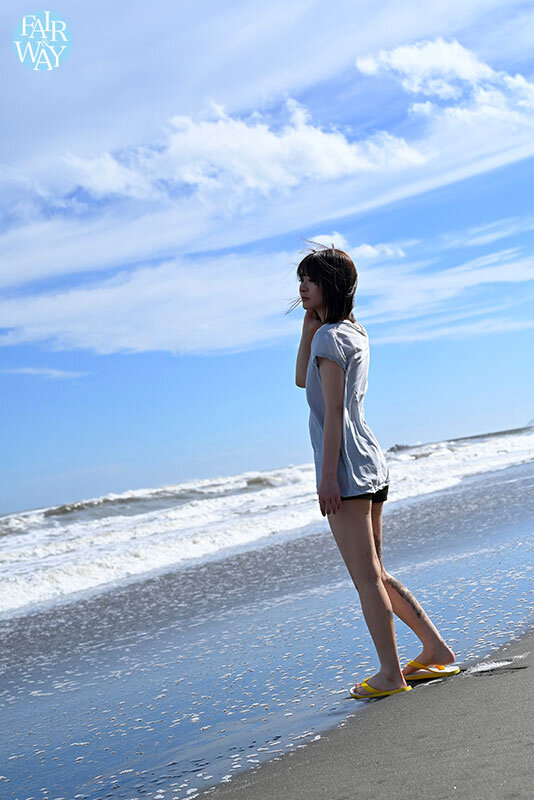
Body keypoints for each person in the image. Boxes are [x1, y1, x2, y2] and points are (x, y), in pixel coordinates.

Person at [291, 242, 459, 699]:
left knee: (366, 579)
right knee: (378, 573)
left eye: (311, 279)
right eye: (300, 279)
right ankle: (435, 649)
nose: (302, 286)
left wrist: (328, 476)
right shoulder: (353, 331)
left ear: (332, 285)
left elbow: (331, 412)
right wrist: (308, 328)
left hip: (346, 468)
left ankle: (390, 674)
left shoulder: (330, 338)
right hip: (370, 462)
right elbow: (304, 379)